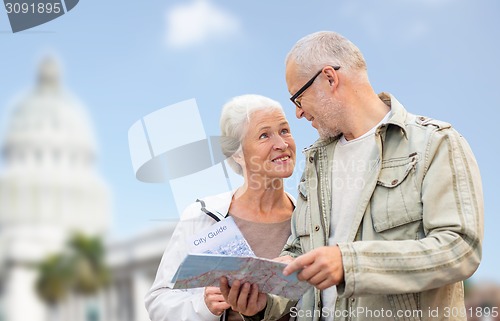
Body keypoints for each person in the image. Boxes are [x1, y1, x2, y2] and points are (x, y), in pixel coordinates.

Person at [221, 31, 484, 321]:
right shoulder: (316, 162)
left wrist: (350, 263)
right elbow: (299, 254)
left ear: (330, 79)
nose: (297, 113)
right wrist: (263, 303)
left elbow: (460, 248)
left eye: (298, 97)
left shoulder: (435, 144)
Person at [145, 94, 297, 321]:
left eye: (284, 130)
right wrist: (204, 306)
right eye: (264, 135)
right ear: (236, 153)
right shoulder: (202, 216)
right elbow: (158, 301)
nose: (282, 144)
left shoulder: (309, 218)